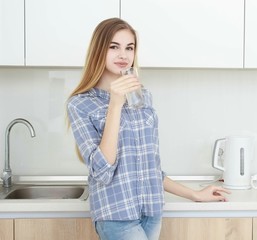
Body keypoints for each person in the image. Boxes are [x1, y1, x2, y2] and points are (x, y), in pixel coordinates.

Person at [67, 17, 230, 240]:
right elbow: (103, 171)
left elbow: (149, 169)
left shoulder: (143, 98)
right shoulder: (80, 104)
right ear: (98, 50)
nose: (123, 55)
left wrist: (194, 194)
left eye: (129, 48)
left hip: (151, 212)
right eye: (114, 47)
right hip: (116, 215)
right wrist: (115, 103)